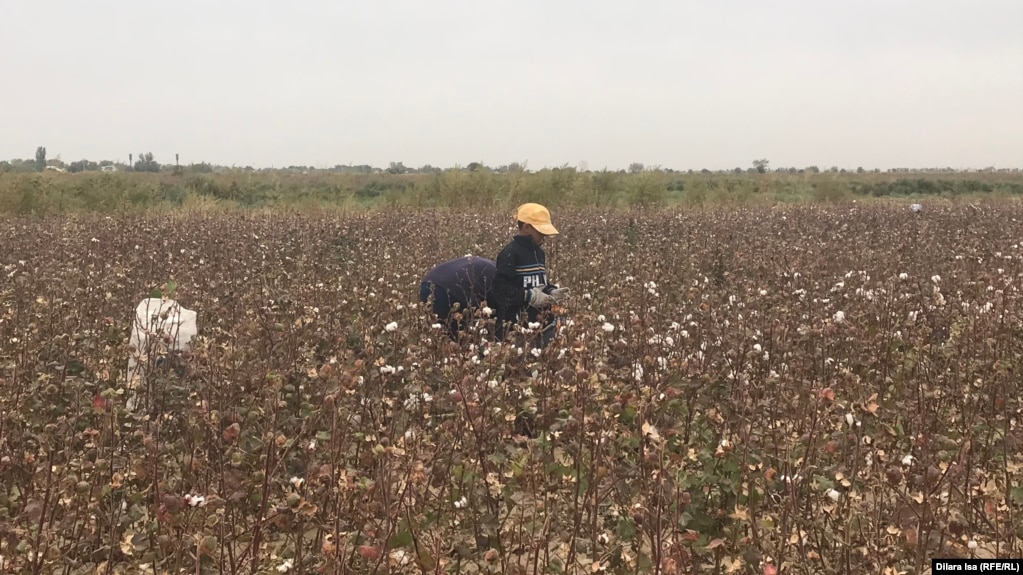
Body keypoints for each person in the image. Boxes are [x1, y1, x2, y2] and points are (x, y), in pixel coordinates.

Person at [491, 203, 570, 348]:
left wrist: (550, 291)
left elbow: (538, 283)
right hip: (517, 327)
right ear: (527, 227)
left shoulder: (539, 253)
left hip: (542, 324)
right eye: (541, 232)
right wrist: (527, 296)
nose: (544, 236)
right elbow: (499, 290)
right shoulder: (510, 253)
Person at [418, 255, 497, 340]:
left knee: (441, 337)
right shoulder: (501, 276)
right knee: (467, 340)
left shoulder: (488, 265)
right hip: (453, 292)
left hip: (426, 285)